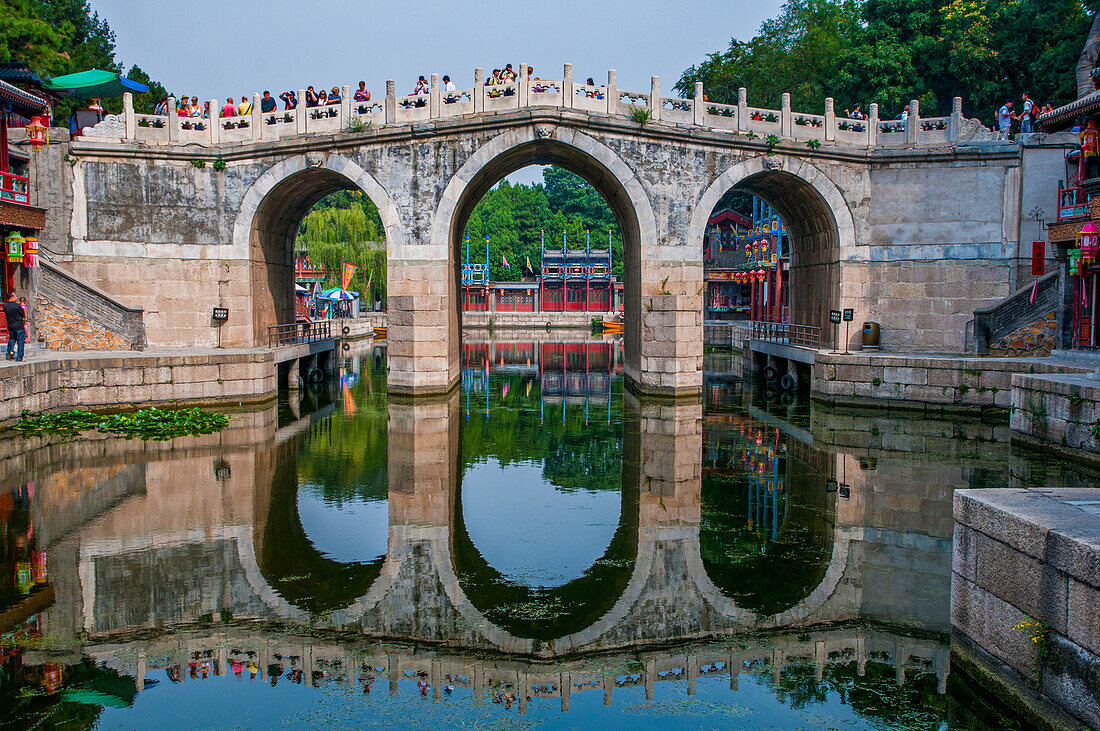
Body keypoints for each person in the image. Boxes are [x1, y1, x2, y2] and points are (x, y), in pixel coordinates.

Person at [5, 292, 25, 362]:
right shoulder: (17, 306)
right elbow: (22, 314)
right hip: (19, 325)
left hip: (11, 325)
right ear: (11, 297)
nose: (16, 298)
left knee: (12, 339)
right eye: (15, 296)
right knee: (20, 341)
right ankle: (19, 357)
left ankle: (10, 350)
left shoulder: (5, 306)